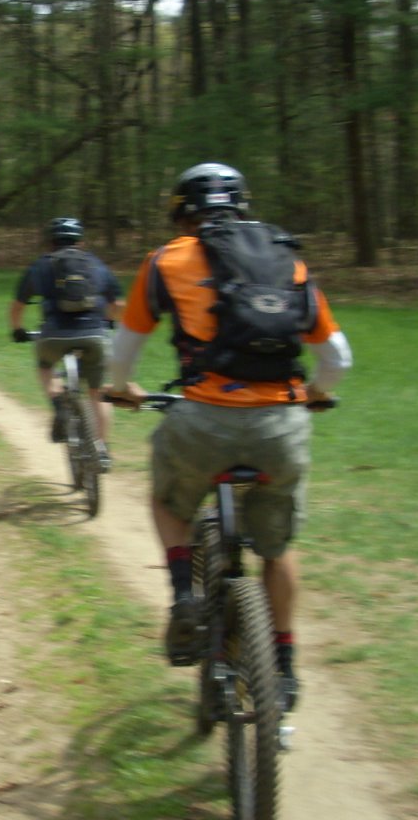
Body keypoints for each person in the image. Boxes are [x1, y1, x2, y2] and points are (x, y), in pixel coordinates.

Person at [103, 163, 351, 711]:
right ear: (241, 206)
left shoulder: (166, 260)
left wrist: (122, 389)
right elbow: (337, 358)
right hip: (281, 423)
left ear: (181, 212)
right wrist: (312, 393)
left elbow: (125, 348)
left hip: (202, 420)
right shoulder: (287, 258)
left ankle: (184, 596)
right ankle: (284, 667)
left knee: (167, 501)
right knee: (278, 547)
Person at [7, 217, 125, 471]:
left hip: (53, 335)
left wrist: (18, 330)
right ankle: (102, 449)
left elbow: (17, 306)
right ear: (81, 241)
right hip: (95, 334)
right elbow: (118, 306)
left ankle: (59, 402)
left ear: (50, 242)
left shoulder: (40, 266)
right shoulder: (96, 264)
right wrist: (109, 321)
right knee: (98, 393)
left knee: (45, 366)